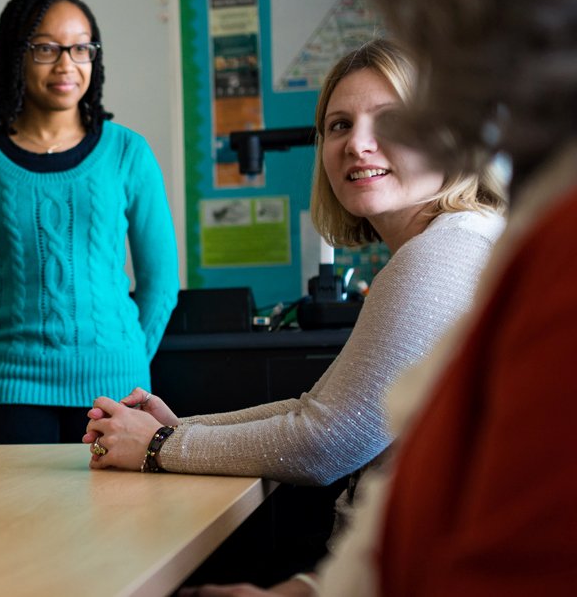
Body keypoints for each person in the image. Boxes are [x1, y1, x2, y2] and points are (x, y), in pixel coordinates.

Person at [84, 39, 506, 488]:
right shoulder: (461, 239)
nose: (358, 144)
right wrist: (176, 430)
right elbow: (314, 408)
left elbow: (325, 443)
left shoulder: (439, 256)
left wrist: (158, 446)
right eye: (340, 125)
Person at [0, 0, 179, 444]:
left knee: (118, 517)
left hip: (118, 390)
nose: (67, 64)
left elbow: (161, 283)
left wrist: (124, 356)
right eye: (46, 48)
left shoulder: (128, 152)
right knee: (19, 518)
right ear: (15, 54)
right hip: (11, 393)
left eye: (81, 48)